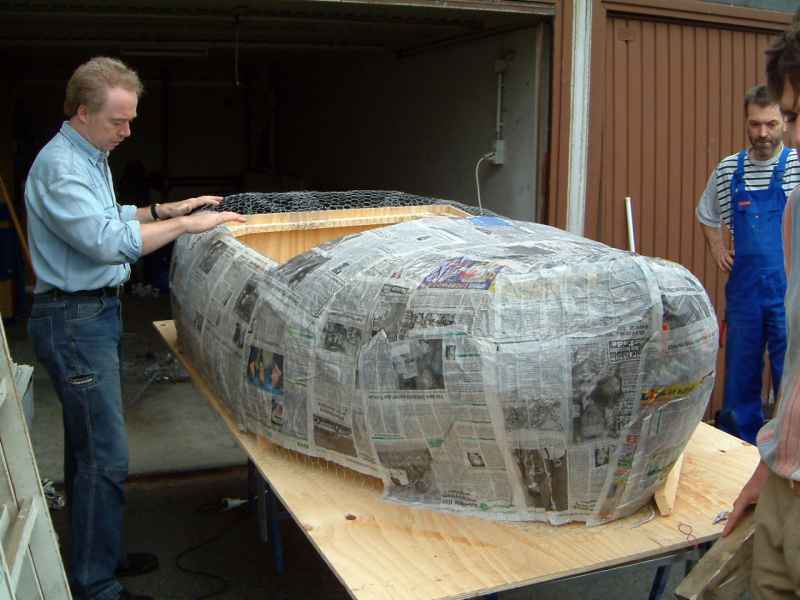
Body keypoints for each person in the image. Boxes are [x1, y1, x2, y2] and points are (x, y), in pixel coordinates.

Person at [24, 57, 245, 600]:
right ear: (82, 112)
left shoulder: (89, 155)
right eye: (117, 121)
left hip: (90, 315)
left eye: (131, 120)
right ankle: (96, 585)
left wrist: (165, 209)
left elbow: (110, 217)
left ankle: (100, 556)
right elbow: (106, 242)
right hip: (73, 320)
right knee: (105, 455)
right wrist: (189, 224)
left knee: (89, 448)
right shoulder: (61, 167)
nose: (127, 132)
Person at [723, 21, 800, 600]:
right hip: (783, 486)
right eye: (789, 117)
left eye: (784, 120)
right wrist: (767, 466)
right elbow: (796, 378)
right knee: (748, 380)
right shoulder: (735, 173)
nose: (784, 134)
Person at [696, 84, 800, 444]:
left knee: (791, 375)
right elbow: (706, 212)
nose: (763, 133)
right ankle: (738, 451)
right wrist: (717, 247)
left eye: (771, 124)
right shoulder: (729, 170)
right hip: (745, 295)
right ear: (745, 123)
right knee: (740, 376)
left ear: (784, 123)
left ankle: (789, 451)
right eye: (755, 124)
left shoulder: (797, 166)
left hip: (790, 293)